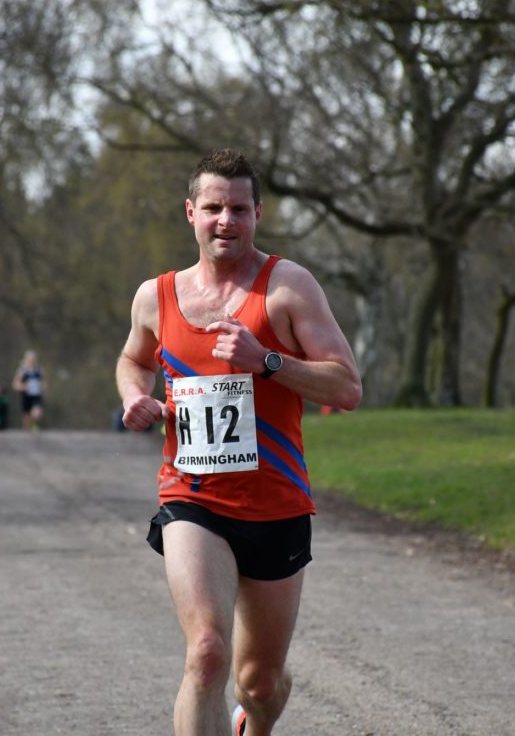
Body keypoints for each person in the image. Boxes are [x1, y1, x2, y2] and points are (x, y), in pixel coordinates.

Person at [115, 149, 362, 736]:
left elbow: (348, 386)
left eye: (239, 209)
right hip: (192, 498)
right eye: (213, 208)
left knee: (260, 681)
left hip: (275, 504)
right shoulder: (157, 295)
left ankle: (255, 721)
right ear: (190, 213)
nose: (225, 220)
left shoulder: (288, 288)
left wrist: (267, 360)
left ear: (257, 214)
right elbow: (132, 359)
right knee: (206, 652)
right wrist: (134, 396)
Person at [12, 350, 46, 431]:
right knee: (27, 418)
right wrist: (24, 386)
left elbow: (44, 383)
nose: (32, 361)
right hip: (26, 397)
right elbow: (15, 385)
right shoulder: (22, 371)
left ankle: (34, 425)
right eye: (30, 359)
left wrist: (42, 387)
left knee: (37, 413)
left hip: (36, 396)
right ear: (26, 360)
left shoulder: (39, 370)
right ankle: (27, 432)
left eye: (34, 359)